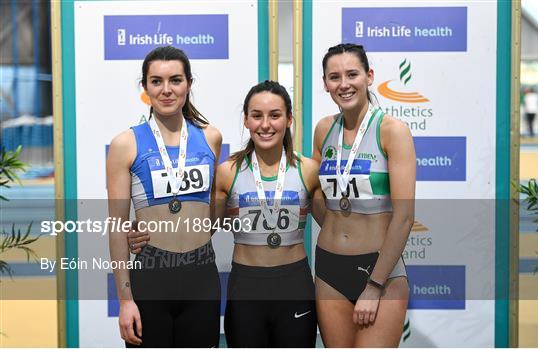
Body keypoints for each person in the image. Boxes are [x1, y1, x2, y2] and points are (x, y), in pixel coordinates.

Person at [129, 80, 324, 347]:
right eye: (256, 116)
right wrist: (147, 233)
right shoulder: (227, 172)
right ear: (246, 120)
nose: (265, 125)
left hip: (294, 285)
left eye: (275, 115)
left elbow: (335, 224)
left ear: (289, 119)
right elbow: (199, 228)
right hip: (246, 287)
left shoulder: (309, 170)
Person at [107, 45, 222, 348]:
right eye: (156, 81)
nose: (166, 90)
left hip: (202, 276)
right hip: (150, 278)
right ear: (145, 88)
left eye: (175, 80)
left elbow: (210, 213)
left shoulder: (211, 137)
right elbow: (116, 226)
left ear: (189, 84)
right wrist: (125, 301)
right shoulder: (125, 144)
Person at [312, 43, 415, 347]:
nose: (343, 84)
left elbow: (405, 216)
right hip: (329, 268)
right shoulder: (324, 129)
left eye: (352, 74)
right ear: (325, 83)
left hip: (378, 271)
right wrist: (338, 226)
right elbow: (318, 192)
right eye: (334, 77)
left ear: (369, 76)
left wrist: (374, 284)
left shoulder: (392, 130)